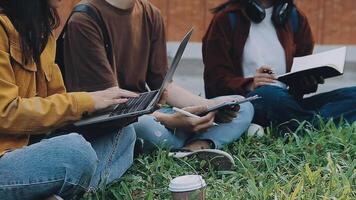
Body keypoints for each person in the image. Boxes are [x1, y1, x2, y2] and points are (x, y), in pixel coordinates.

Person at [63, 0, 254, 169]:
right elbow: (107, 107)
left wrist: (207, 108)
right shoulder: (85, 20)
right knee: (141, 128)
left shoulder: (150, 14)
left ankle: (191, 149)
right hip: (118, 122)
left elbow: (164, 86)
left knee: (241, 104)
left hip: (149, 112)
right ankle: (187, 140)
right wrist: (168, 120)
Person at [0, 0, 141, 199]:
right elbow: (5, 113)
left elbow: (56, 100)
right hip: (5, 159)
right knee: (76, 151)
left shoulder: (43, 32)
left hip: (34, 146)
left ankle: (51, 193)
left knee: (124, 133)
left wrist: (99, 112)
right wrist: (85, 101)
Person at [203, 0, 356, 132]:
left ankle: (301, 125)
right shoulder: (225, 19)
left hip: (288, 103)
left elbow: (300, 72)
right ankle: (313, 124)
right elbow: (214, 82)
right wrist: (251, 84)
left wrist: (307, 81)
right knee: (269, 94)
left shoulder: (296, 18)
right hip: (248, 104)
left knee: (353, 95)